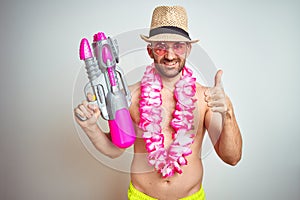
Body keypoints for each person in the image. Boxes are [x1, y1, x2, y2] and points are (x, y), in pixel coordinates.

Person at [74, 5, 242, 200]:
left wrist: (228, 111)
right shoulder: (130, 96)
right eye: (161, 46)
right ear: (150, 50)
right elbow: (115, 150)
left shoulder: (205, 98)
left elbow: (232, 158)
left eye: (178, 46)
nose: (170, 55)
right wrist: (90, 127)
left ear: (188, 49)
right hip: (142, 196)